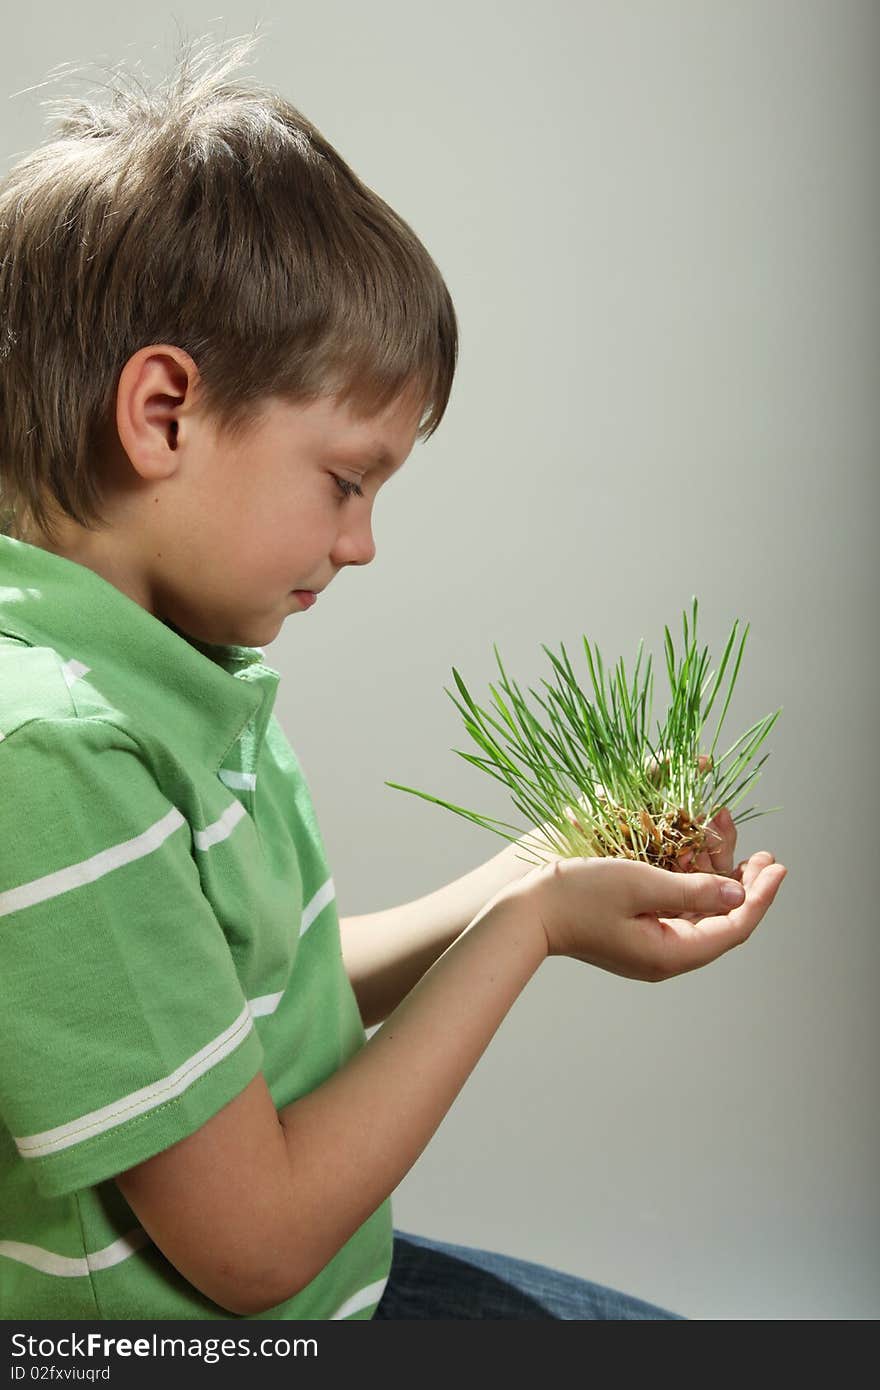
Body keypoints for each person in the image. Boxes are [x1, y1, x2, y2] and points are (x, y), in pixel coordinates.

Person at [0, 32, 787, 1322]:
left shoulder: (169, 670)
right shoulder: (56, 748)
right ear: (162, 414)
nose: (362, 542)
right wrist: (529, 936)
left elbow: (241, 1005)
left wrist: (533, 877)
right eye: (347, 479)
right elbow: (252, 1252)